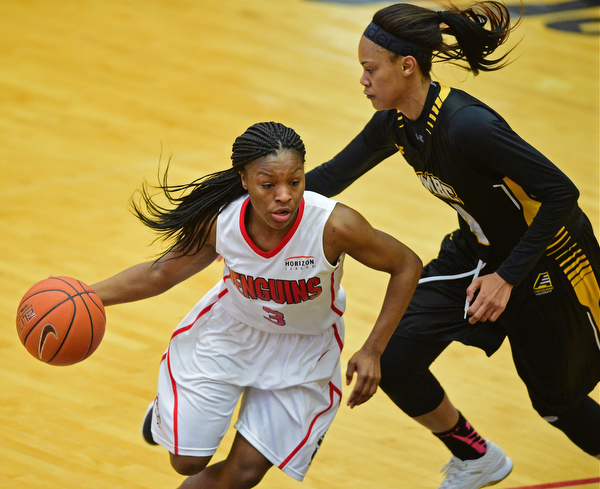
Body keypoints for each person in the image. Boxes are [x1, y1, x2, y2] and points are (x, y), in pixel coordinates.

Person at [305, 1, 600, 488]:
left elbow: (561, 194)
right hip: (477, 252)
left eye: (369, 69)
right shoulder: (397, 123)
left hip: (549, 261)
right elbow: (332, 177)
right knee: (394, 360)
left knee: (558, 404)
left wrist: (507, 277)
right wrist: (251, 195)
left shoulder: (468, 127)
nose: (363, 81)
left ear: (407, 66)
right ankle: (476, 458)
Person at [91, 121, 422, 488]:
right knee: (187, 462)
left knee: (242, 476)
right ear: (245, 180)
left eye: (295, 182)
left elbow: (406, 265)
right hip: (230, 333)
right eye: (269, 185)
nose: (284, 195)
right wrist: (86, 296)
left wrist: (374, 349)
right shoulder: (221, 221)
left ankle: (178, 412)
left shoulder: (334, 225)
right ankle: (168, 414)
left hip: (304, 349)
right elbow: (159, 275)